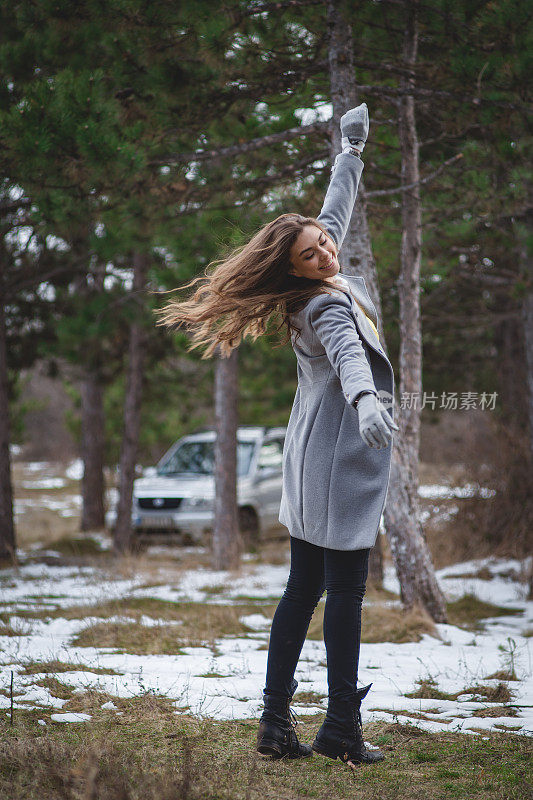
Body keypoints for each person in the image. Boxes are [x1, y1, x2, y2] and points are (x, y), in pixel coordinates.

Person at [157, 102, 398, 769]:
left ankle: (273, 724)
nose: (324, 250)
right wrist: (367, 402)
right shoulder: (322, 302)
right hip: (337, 461)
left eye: (322, 242)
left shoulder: (316, 272)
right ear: (293, 268)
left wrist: (350, 153)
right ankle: (341, 729)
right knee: (343, 587)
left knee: (303, 586)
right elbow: (350, 355)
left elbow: (331, 212)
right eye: (310, 252)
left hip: (308, 455)